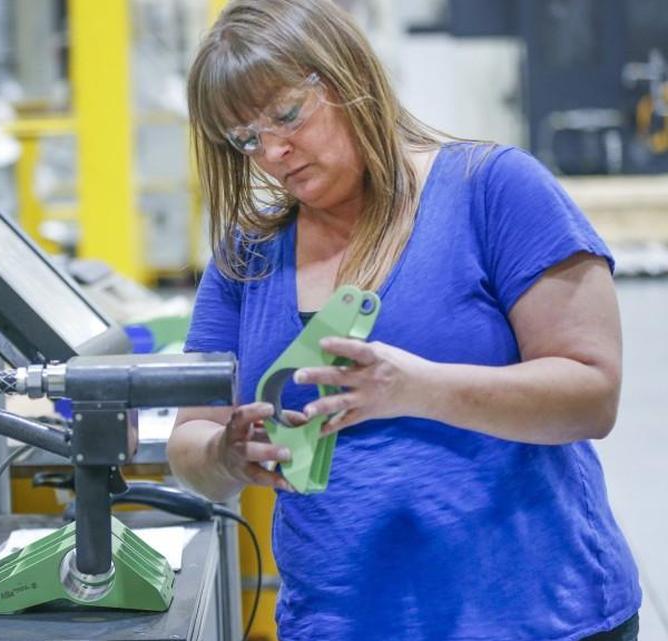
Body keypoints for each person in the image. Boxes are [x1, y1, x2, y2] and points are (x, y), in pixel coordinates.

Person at [165, 1, 642, 639]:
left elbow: (592, 395)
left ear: (347, 75)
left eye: (286, 115)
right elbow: (187, 443)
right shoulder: (248, 260)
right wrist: (226, 456)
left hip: (534, 616)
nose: (274, 152)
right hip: (342, 620)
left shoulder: (492, 190)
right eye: (247, 139)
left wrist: (420, 390)